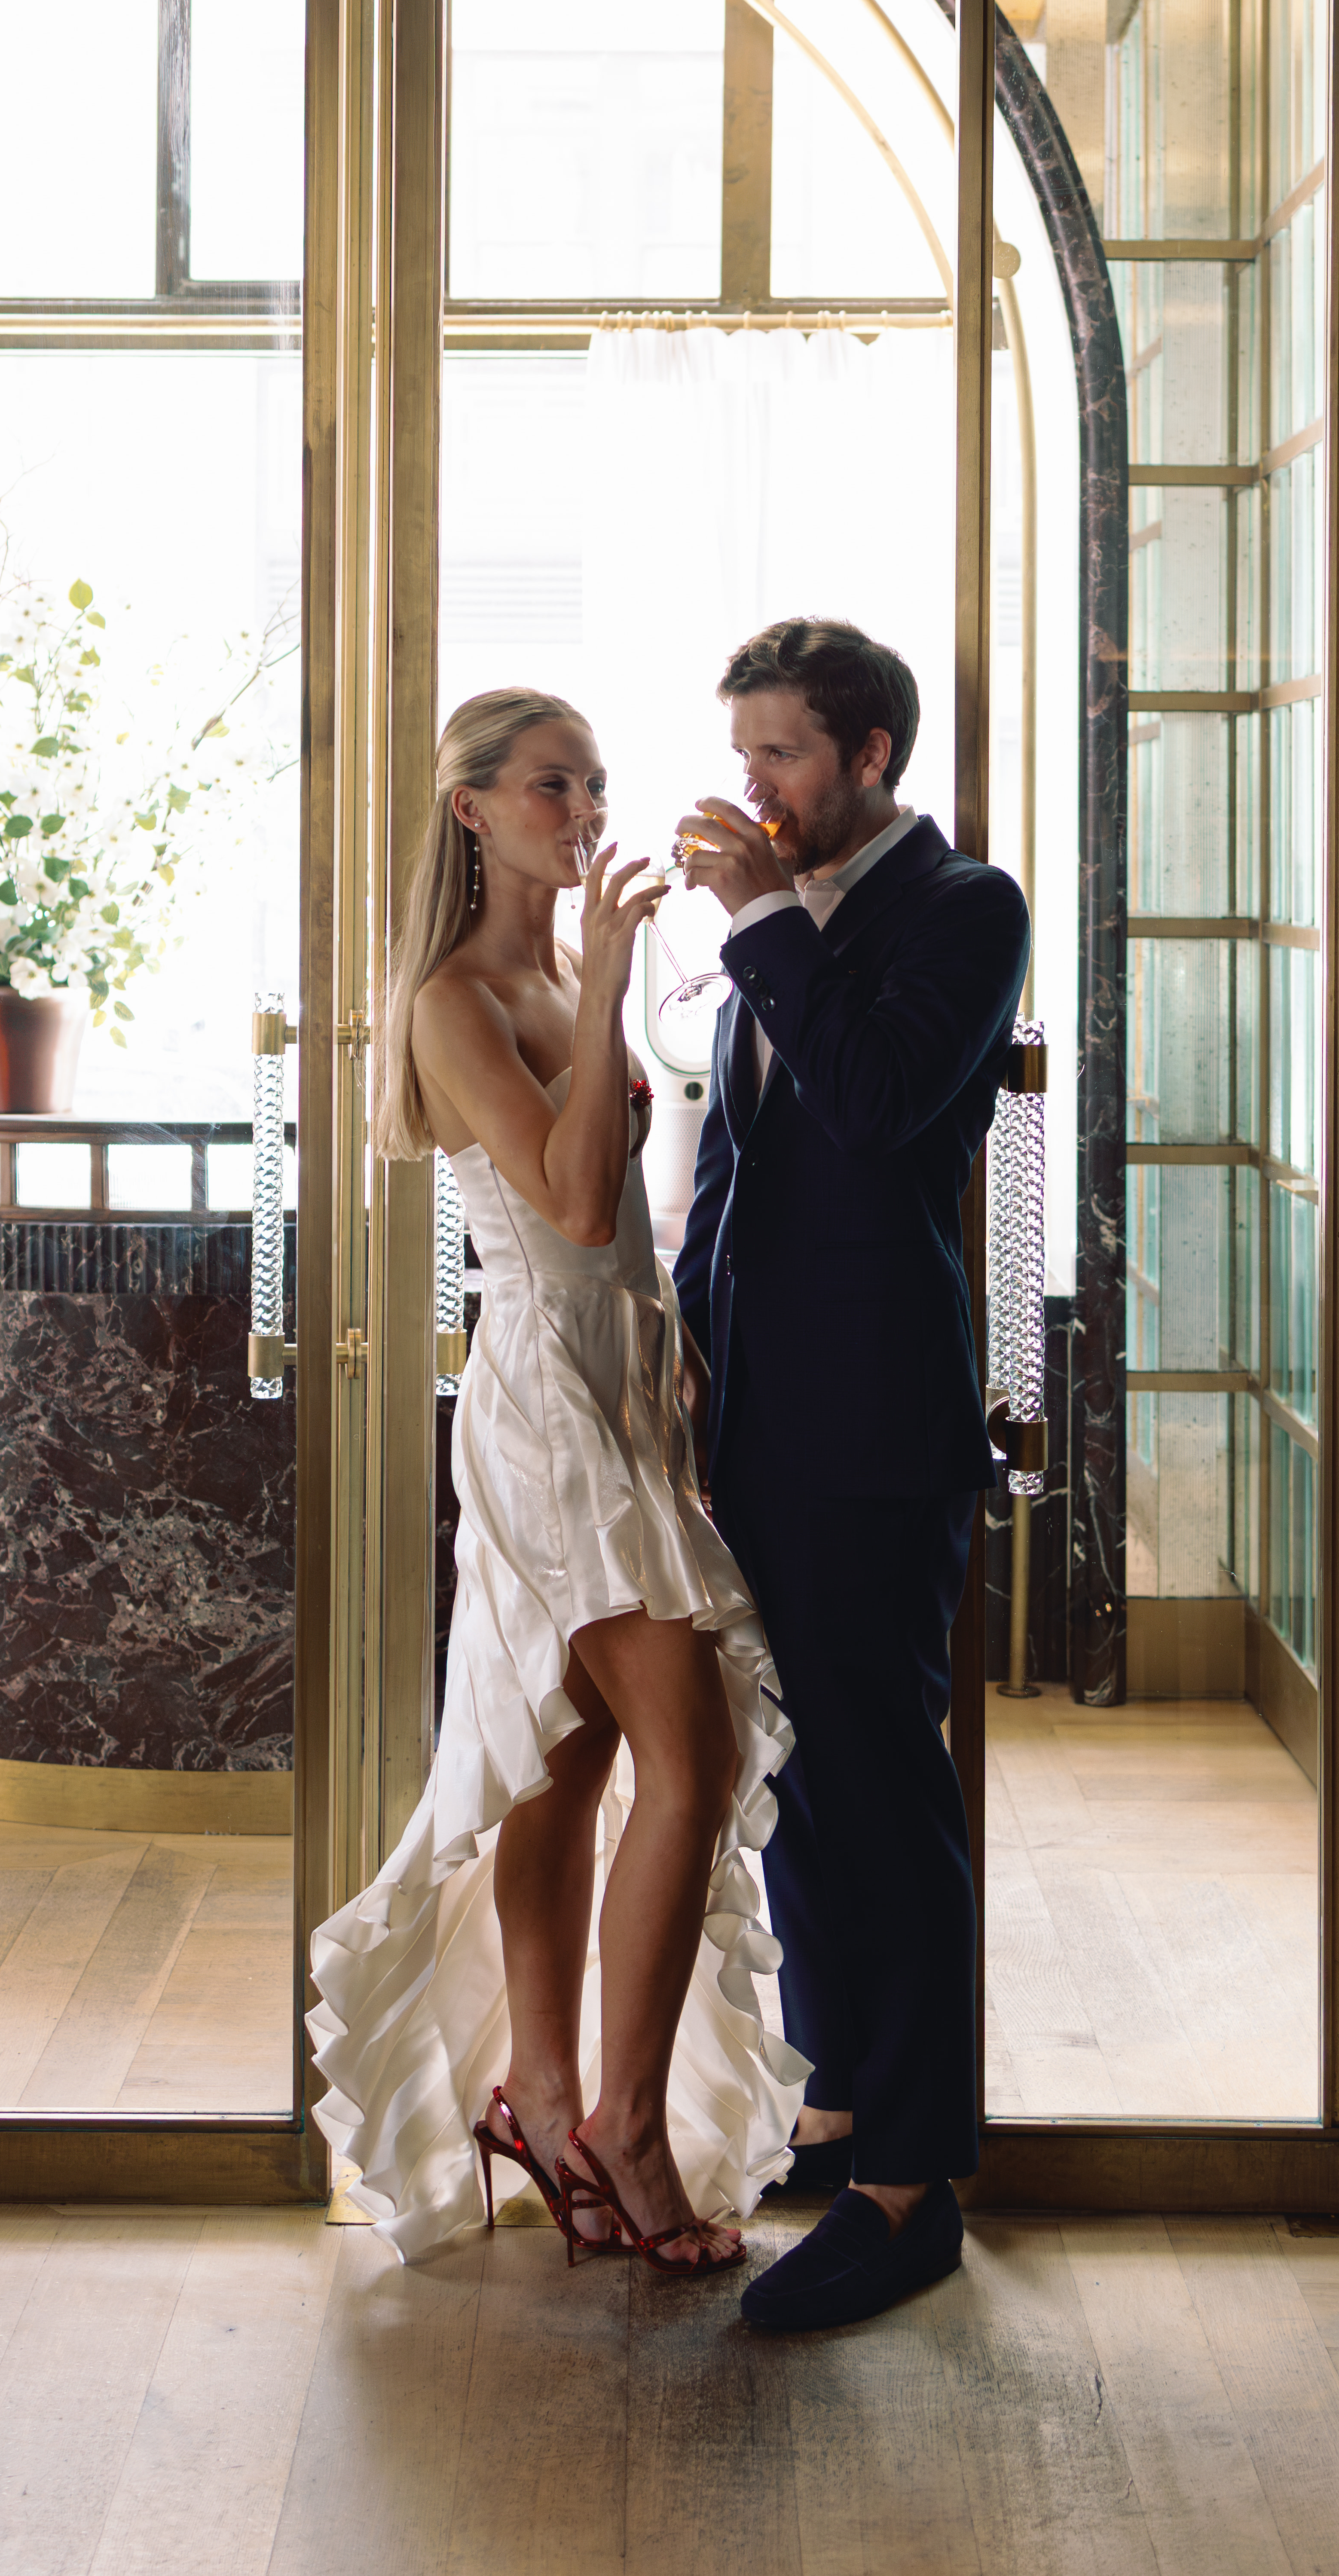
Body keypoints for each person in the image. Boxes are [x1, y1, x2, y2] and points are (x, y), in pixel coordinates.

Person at [307, 687, 804, 2269]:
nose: (583, 810)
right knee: (691, 1761)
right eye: (547, 786)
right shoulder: (453, 998)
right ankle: (627, 2133)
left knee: (565, 1758)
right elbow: (577, 1208)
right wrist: (606, 991)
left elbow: (630, 1233)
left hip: (627, 1388)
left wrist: (681, 1363)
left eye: (592, 784)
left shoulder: (573, 970)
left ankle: (540, 2092)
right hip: (544, 1405)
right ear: (470, 808)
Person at [672, 617, 1030, 2334]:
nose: (753, 784)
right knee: (796, 1777)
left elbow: (882, 1108)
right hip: (756, 1424)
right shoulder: (777, 928)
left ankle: (914, 2182)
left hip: (878, 1431)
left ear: (869, 754)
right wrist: (684, 1365)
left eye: (783, 754)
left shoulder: (965, 909)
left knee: (884, 1791)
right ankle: (833, 2100)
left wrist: (757, 923)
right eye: (742, 752)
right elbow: (732, 1182)